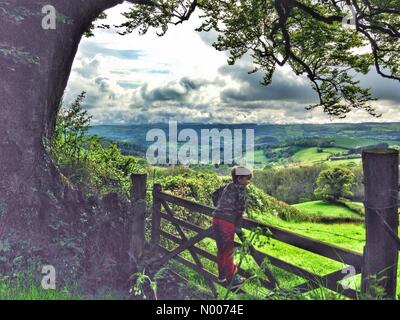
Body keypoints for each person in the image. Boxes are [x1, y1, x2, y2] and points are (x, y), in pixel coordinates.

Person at [212, 166, 252, 289]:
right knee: (229, 249)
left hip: (216, 218)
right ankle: (231, 279)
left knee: (221, 249)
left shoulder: (228, 186)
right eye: (247, 179)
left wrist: (220, 208)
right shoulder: (241, 188)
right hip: (226, 222)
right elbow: (240, 208)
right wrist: (237, 223)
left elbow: (214, 195)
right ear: (240, 178)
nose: (249, 181)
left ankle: (222, 276)